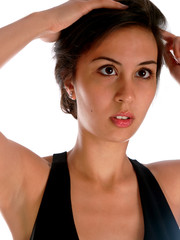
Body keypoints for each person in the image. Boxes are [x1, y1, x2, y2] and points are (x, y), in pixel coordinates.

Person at [0, 0, 180, 239]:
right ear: (69, 82)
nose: (126, 94)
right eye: (108, 70)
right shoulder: (28, 182)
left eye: (143, 73)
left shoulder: (172, 188)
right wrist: (41, 22)